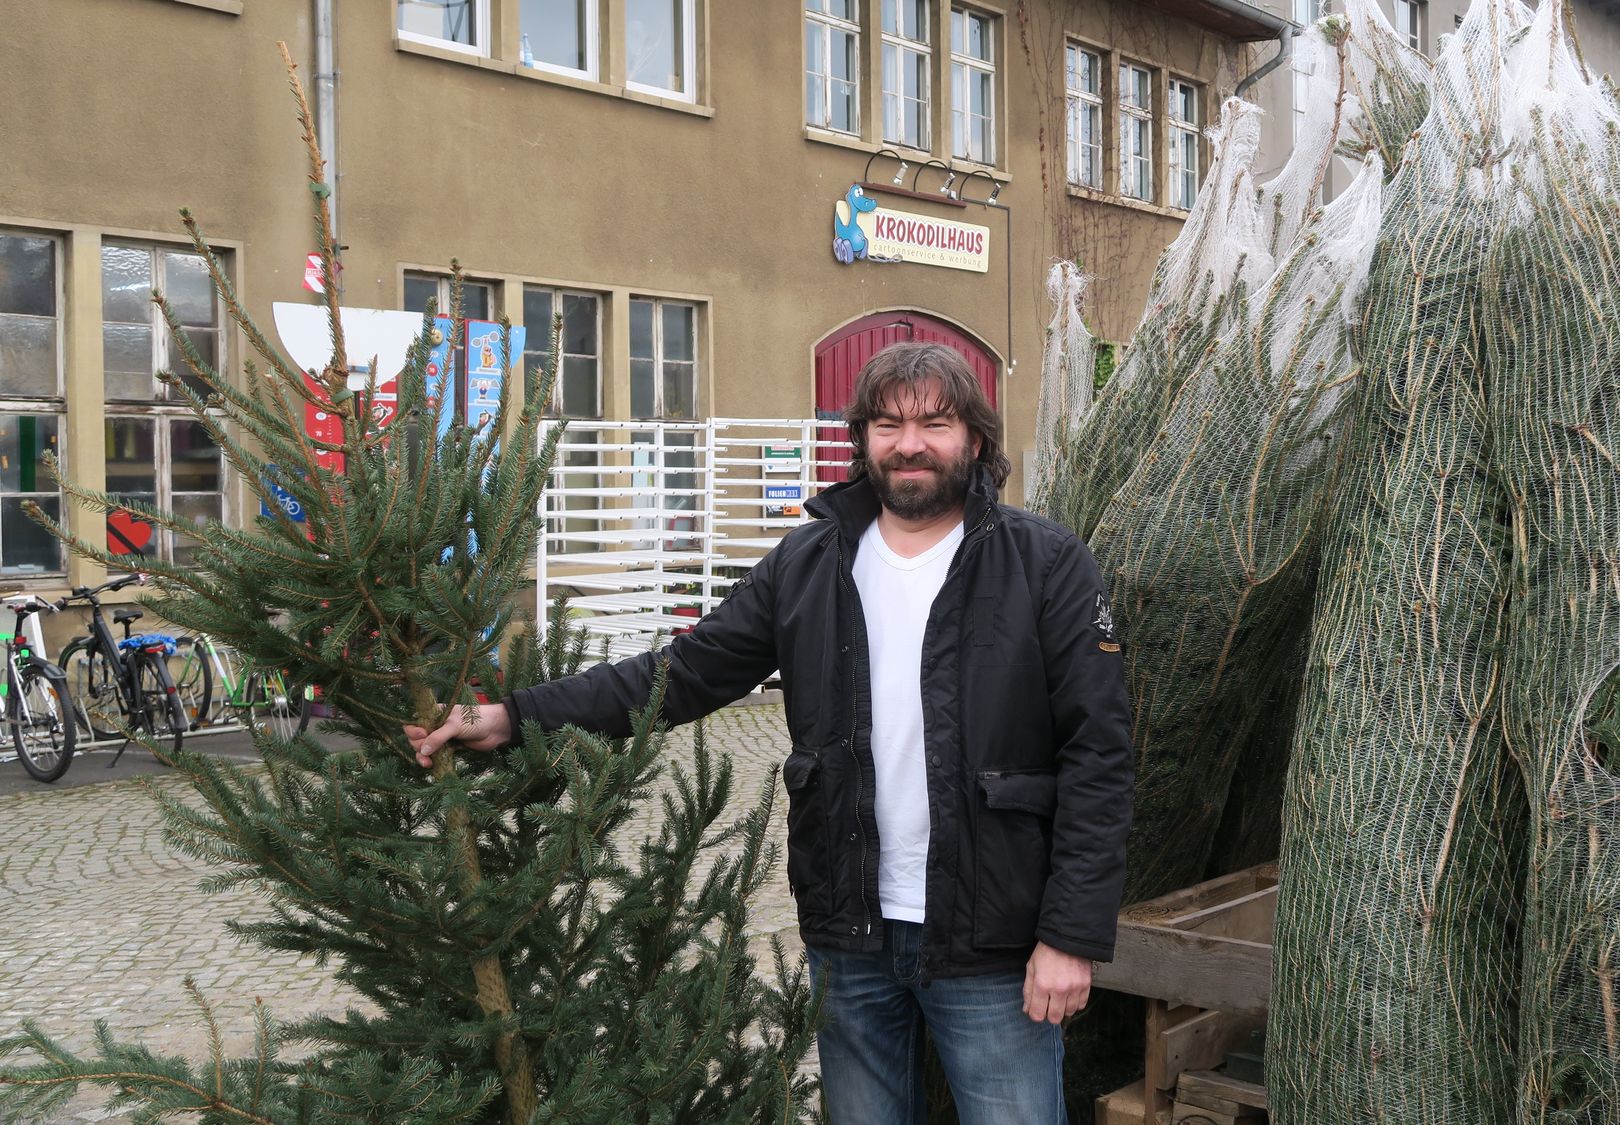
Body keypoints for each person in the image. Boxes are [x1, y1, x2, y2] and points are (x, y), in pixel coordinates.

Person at [407, 341, 1134, 1124]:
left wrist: (1069, 935)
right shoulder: (808, 562)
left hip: (994, 938)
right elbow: (682, 673)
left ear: (977, 439)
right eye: (888, 424)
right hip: (850, 933)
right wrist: (514, 715)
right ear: (861, 438)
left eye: (935, 423)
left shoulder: (1045, 563)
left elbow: (1098, 755)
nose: (910, 444)